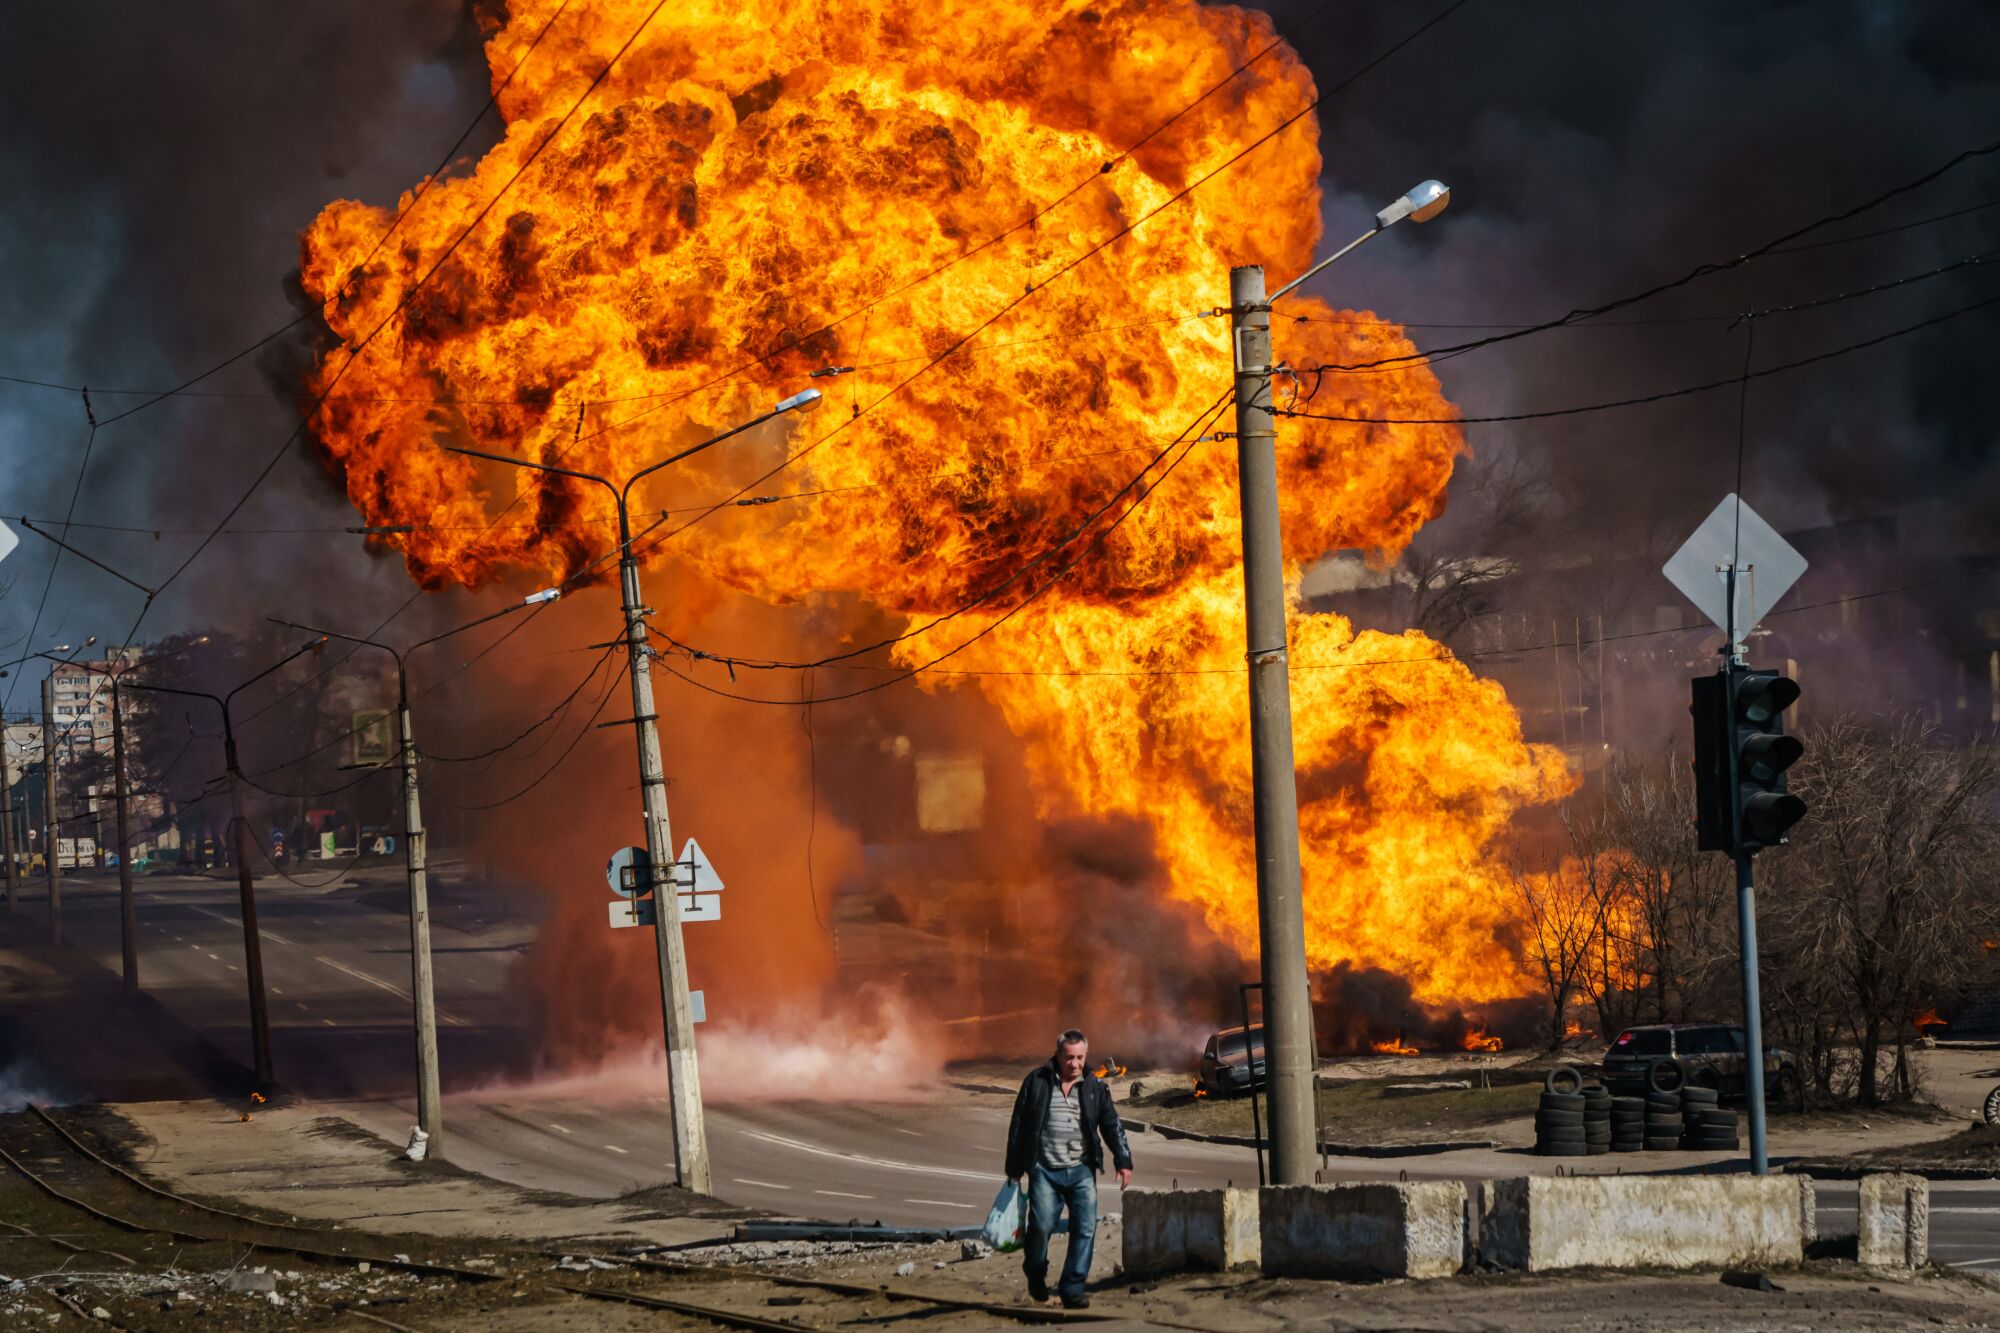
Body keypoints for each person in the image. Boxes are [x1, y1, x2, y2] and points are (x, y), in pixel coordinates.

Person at [1003, 1028, 1133, 1309]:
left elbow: (1112, 1124)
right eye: (1069, 1057)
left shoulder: (1095, 1087)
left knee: (1085, 1228)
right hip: (1045, 1170)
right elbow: (1019, 1127)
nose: (1074, 1063)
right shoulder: (1036, 1082)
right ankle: (1035, 1270)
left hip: (1081, 1170)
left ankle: (1072, 1288)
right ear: (1058, 1055)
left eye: (1079, 1057)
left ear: (1085, 1056)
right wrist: (1014, 1169)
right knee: (1040, 1226)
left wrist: (1123, 1161)